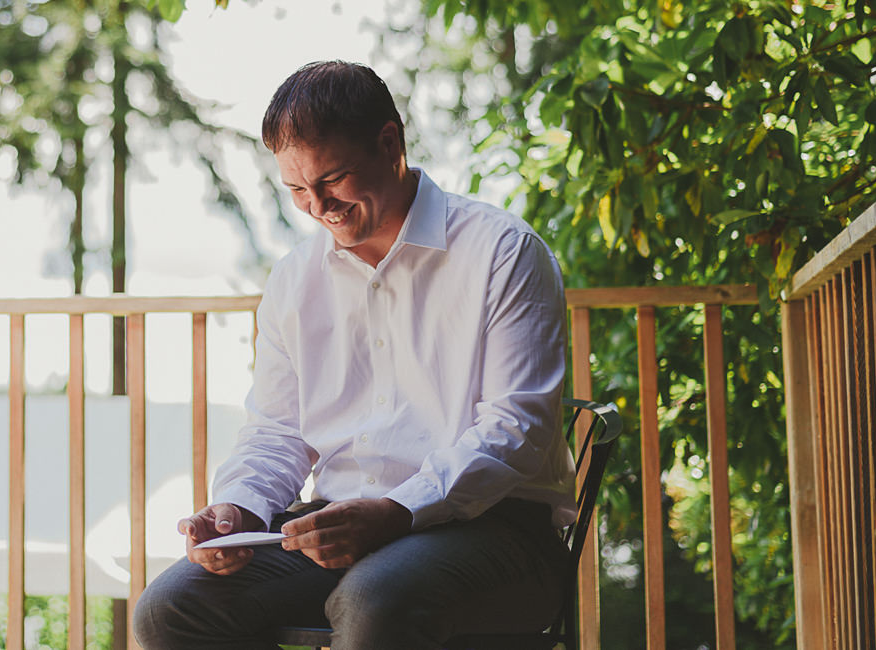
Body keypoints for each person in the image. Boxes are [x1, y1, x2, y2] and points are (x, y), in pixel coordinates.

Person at [133, 61, 575, 650]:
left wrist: (397, 510)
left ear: (389, 142)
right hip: (337, 529)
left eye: (333, 179)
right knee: (169, 611)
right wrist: (239, 509)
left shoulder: (504, 252)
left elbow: (516, 429)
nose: (319, 207)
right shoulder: (294, 280)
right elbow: (276, 430)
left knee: (373, 599)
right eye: (296, 190)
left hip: (497, 530)